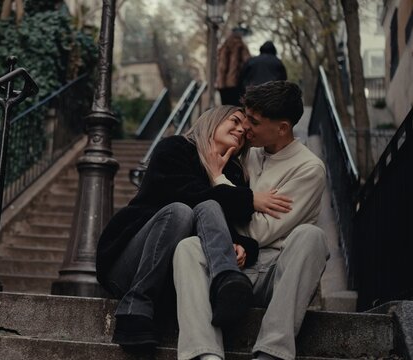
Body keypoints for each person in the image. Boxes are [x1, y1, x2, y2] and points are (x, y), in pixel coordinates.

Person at [96, 106, 292, 350]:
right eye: (234, 120)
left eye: (244, 129)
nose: (241, 129)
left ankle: (226, 281)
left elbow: (232, 228)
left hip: (174, 280)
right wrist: (247, 198)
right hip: (129, 265)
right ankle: (134, 307)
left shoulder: (232, 174)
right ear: (212, 121)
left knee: (208, 207)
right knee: (181, 211)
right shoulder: (174, 149)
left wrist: (242, 246)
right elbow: (186, 198)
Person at [173, 81, 329, 360]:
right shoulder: (247, 151)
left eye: (254, 122)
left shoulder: (309, 169)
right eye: (245, 117)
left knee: (311, 236)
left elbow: (260, 231)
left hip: (275, 273)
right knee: (189, 248)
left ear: (282, 128)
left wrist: (219, 181)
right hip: (231, 263)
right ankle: (205, 354)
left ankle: (271, 351)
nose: (245, 127)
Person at [216, 32, 251, 106]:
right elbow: (247, 62)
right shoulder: (241, 46)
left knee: (225, 108)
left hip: (222, 83)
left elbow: (221, 65)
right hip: (235, 82)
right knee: (235, 107)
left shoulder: (223, 47)